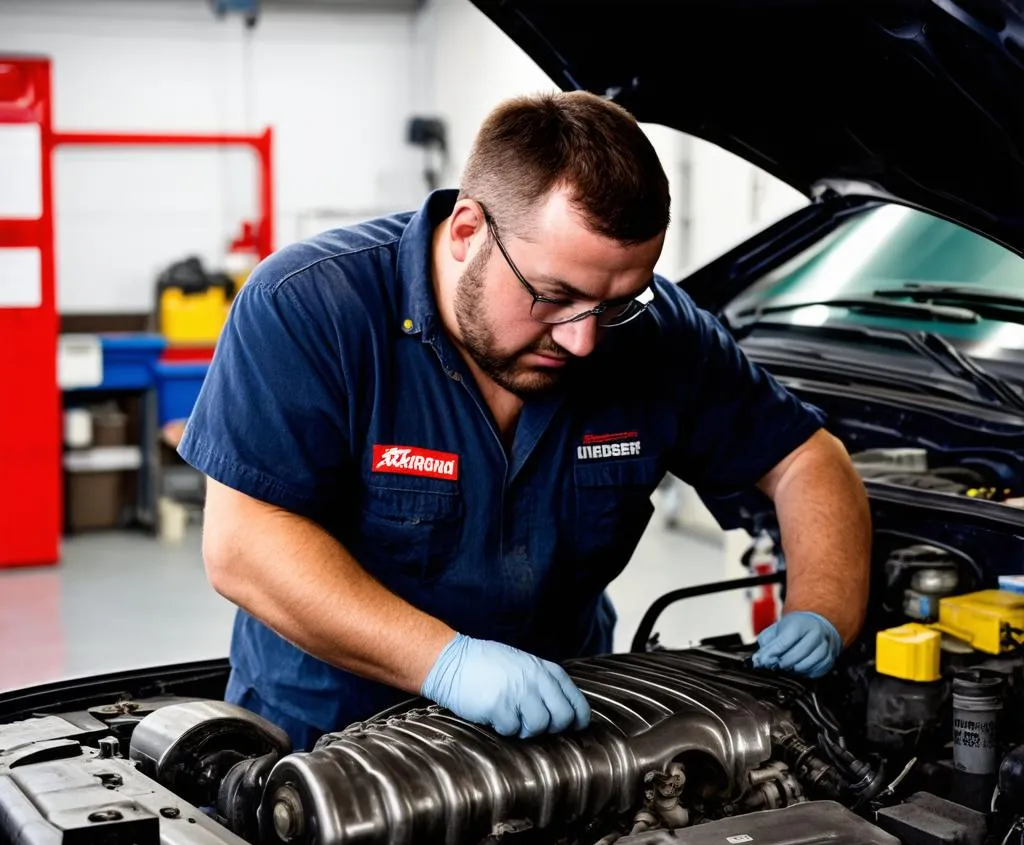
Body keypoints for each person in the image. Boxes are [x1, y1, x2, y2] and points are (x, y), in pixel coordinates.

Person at [179, 90, 871, 751]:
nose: (584, 341)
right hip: (335, 742)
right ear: (467, 230)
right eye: (554, 296)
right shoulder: (311, 306)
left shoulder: (658, 336)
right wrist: (446, 664)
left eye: (617, 301)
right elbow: (246, 545)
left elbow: (805, 460)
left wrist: (823, 611)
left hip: (561, 734)